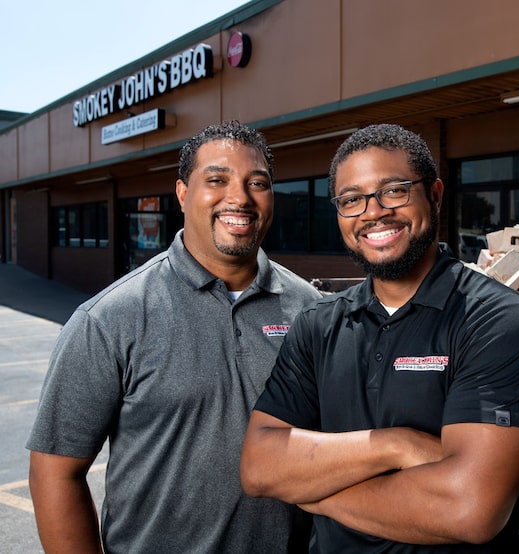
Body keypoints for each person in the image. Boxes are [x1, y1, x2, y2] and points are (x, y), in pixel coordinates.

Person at [240, 123, 519, 552]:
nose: (373, 212)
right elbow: (259, 466)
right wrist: (395, 445)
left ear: (435, 195)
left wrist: (310, 491)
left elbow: (470, 508)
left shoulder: (496, 321)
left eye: (394, 191)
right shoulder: (318, 325)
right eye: (352, 200)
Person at [27, 120, 321, 553]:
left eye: (256, 182)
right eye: (216, 180)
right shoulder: (110, 318)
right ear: (183, 194)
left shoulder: (310, 308)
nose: (238, 197)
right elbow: (54, 472)